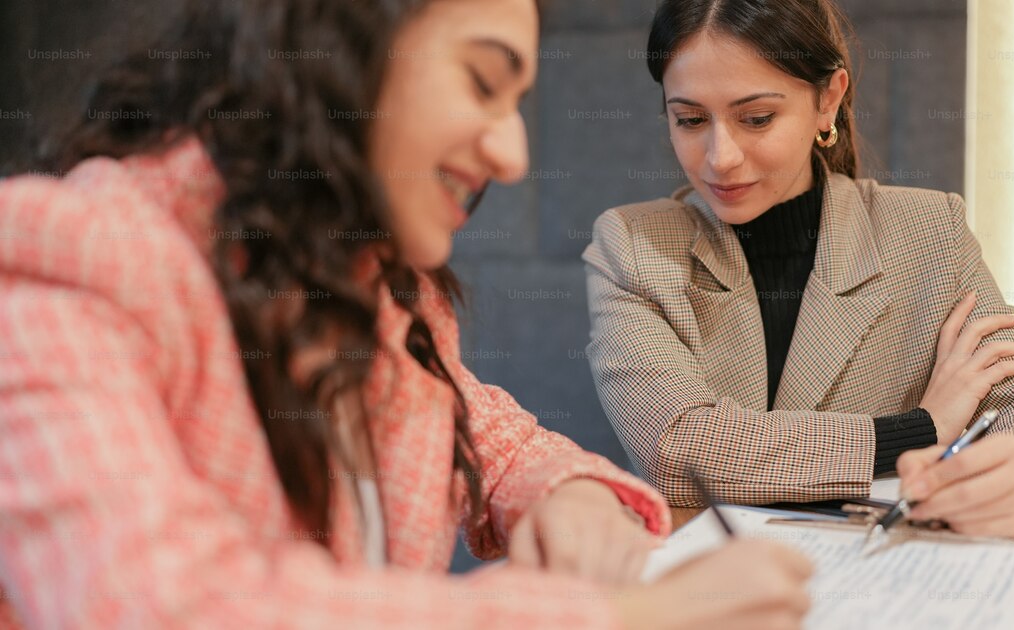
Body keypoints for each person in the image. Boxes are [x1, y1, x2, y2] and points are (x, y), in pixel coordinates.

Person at [0, 1, 813, 627]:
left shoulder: (375, 285)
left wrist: (569, 493)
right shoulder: (69, 261)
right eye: (482, 83)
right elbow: (164, 605)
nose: (512, 153)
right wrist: (614, 617)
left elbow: (492, 436)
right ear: (341, 48)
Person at [584, 0, 1014, 538]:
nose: (720, 156)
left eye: (756, 118)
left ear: (826, 101)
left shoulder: (929, 232)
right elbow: (678, 451)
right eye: (690, 120)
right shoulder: (632, 245)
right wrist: (921, 430)